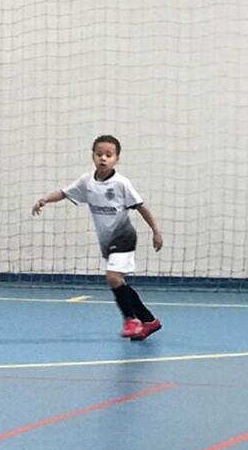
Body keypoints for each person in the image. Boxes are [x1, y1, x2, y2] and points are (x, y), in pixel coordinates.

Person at [31, 135, 164, 339]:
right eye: (99, 154)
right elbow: (64, 193)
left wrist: (156, 230)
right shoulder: (87, 181)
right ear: (93, 156)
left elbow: (141, 207)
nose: (103, 158)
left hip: (124, 236)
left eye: (108, 155)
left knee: (112, 277)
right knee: (118, 282)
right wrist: (45, 199)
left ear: (116, 159)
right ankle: (149, 320)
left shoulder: (121, 184)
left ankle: (131, 319)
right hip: (107, 241)